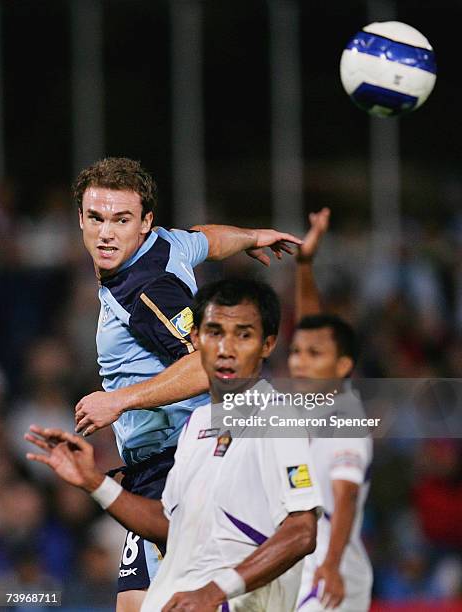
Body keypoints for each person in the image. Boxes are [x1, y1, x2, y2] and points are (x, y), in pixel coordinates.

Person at [70, 157, 302, 610]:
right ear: (80, 218)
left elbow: (210, 365)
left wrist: (119, 401)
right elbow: (206, 240)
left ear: (144, 221)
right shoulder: (163, 244)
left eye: (121, 220)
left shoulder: (144, 292)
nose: (106, 233)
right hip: (160, 467)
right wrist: (251, 238)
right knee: (136, 603)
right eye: (96, 218)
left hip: (177, 465)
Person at [26, 278, 323, 612]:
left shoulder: (277, 417)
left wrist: (214, 592)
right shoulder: (196, 425)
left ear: (268, 344)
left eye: (243, 334)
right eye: (214, 333)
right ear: (195, 339)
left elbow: (302, 531)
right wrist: (93, 482)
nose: (226, 349)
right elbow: (170, 524)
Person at [289, 209, 373, 612]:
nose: (300, 361)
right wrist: (304, 265)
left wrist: (332, 565)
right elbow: (310, 326)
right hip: (300, 565)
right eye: (296, 354)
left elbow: (347, 495)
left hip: (330, 574)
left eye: (314, 355)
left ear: (343, 368)